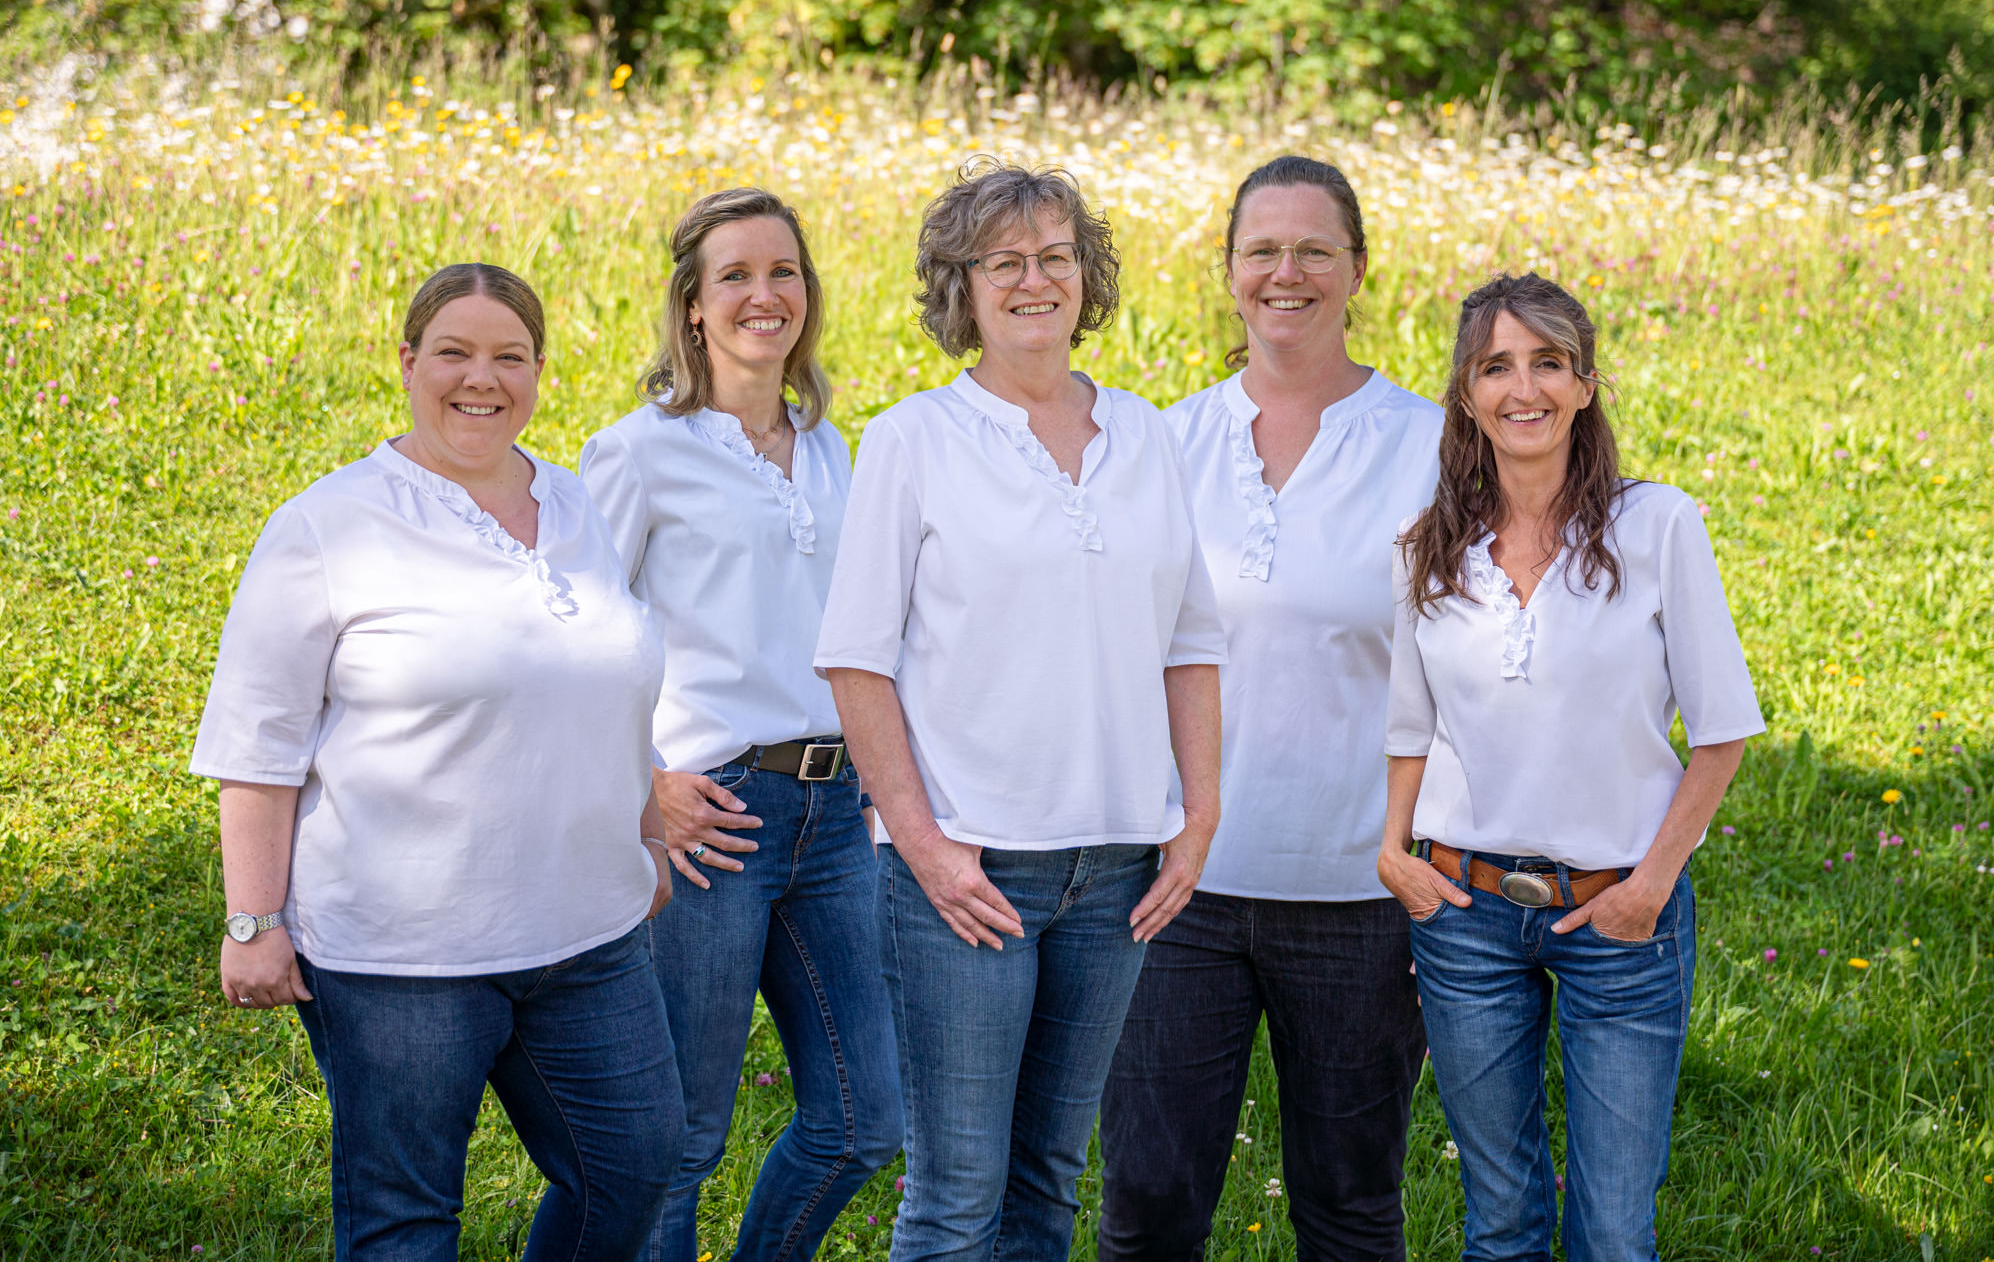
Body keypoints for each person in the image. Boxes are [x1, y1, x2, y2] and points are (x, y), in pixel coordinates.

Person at [192, 263, 686, 1259]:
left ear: (539, 370)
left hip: (590, 933)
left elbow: (611, 680)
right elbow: (259, 743)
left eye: (509, 355)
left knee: (635, 1165)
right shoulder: (326, 527)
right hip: (401, 958)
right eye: (454, 352)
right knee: (405, 1218)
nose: (481, 378)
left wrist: (646, 830)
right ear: (408, 362)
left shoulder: (577, 505)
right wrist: (254, 922)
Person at [814, 159, 1226, 1261]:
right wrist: (924, 843)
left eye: (1055, 257)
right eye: (1004, 260)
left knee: (1047, 1180)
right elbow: (857, 661)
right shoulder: (914, 438)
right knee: (956, 1195)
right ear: (963, 287)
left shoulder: (1149, 436)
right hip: (972, 865)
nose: (1033, 278)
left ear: (1088, 279)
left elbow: (1190, 644)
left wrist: (1197, 812)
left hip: (1116, 866)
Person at [1377, 272, 1764, 1261]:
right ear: (1465, 396)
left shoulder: (1658, 526)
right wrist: (1393, 850)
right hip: (1463, 919)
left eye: (1547, 361)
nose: (1524, 387)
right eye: (1495, 366)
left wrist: (1651, 884)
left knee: (1609, 1233)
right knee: (1500, 1224)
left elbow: (1720, 728)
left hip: (1618, 918)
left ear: (1585, 383)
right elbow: (1409, 722)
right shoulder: (1428, 550)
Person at [1097, 156, 1442, 1262]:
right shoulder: (1157, 439)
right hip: (1174, 888)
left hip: (1359, 888)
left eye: (1312, 249)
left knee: (1347, 1204)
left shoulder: (1435, 445)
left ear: (1355, 268)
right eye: (1261, 249)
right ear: (1229, 269)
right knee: (1148, 1201)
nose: (1284, 272)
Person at [579, 188, 902, 1262]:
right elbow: (574, 642)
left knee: (866, 1120)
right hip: (713, 809)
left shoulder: (831, 447)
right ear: (693, 305)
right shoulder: (638, 452)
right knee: (683, 1135)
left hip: (835, 810)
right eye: (736, 275)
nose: (765, 294)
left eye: (784, 272)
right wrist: (643, 786)